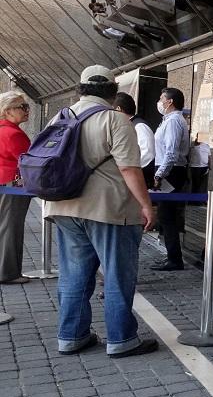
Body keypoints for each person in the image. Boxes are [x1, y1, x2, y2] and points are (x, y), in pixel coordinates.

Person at [46, 65, 158, 357]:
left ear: (80, 88)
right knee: (118, 275)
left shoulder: (60, 117)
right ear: (113, 91)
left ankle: (71, 336)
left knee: (73, 275)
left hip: (65, 205)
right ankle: (122, 339)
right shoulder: (115, 120)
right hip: (109, 209)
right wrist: (146, 205)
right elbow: (129, 169)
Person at [152, 87, 190, 271]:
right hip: (169, 170)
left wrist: (159, 174)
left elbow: (171, 152)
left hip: (171, 172)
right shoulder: (169, 120)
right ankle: (172, 256)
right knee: (166, 215)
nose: (159, 102)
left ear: (170, 102)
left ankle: (174, 259)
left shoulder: (174, 121)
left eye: (162, 98)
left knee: (167, 216)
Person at [0, 92, 33, 285]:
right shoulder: (13, 134)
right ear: (7, 111)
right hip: (14, 185)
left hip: (4, 184)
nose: (27, 110)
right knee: (11, 228)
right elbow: (28, 161)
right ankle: (8, 273)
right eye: (22, 107)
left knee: (4, 227)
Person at [113, 92, 156, 186]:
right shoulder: (129, 125)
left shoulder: (139, 126)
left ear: (118, 109)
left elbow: (147, 153)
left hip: (140, 179)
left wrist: (131, 169)